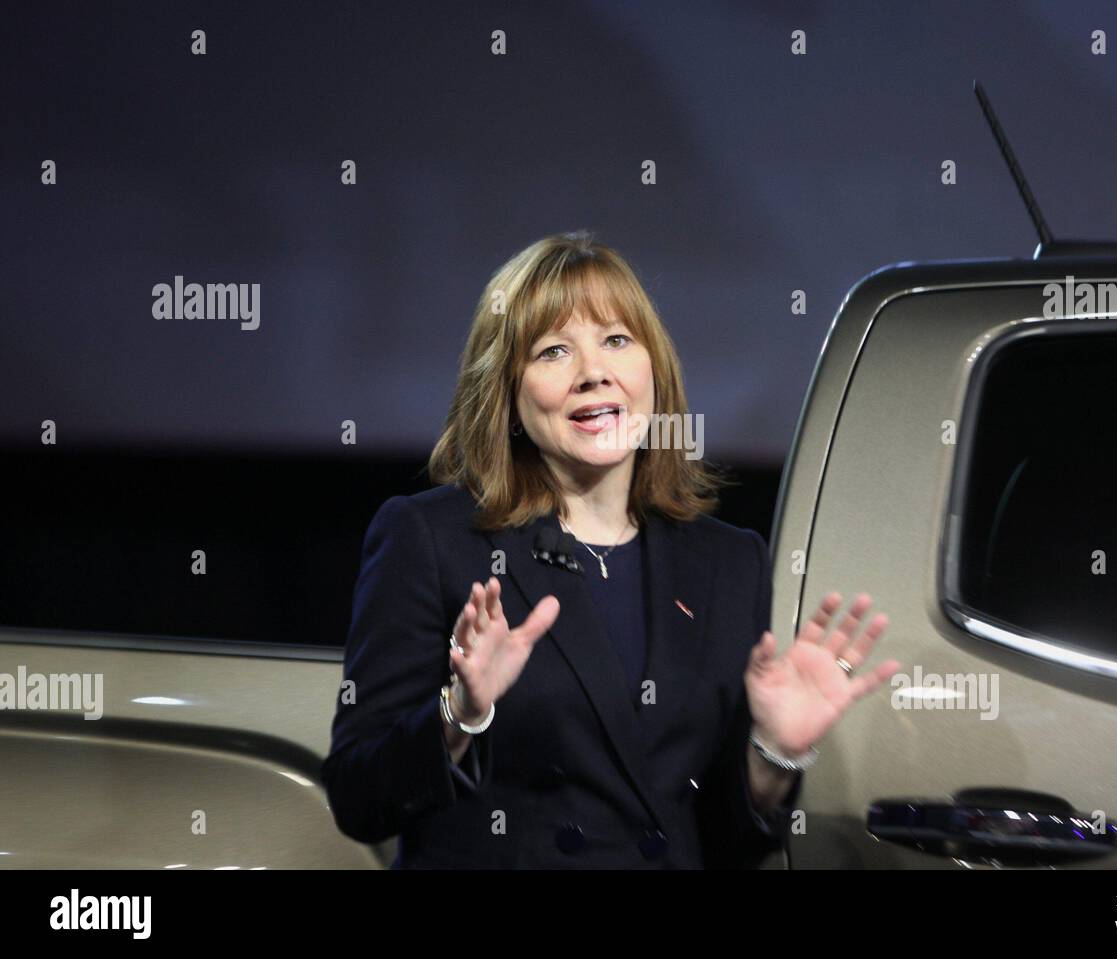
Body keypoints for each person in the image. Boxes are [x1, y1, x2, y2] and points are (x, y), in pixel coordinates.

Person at [321, 230, 899, 868]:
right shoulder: (433, 539)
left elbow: (720, 843)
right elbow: (359, 797)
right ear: (509, 400)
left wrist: (773, 755)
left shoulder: (727, 561)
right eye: (554, 351)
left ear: (654, 371)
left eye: (617, 341)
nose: (594, 372)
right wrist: (459, 716)